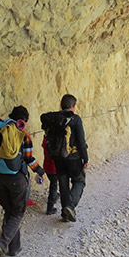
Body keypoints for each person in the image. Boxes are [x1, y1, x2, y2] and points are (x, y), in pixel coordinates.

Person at [0, 106, 45, 257]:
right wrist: (40, 171)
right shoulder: (23, 135)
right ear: (24, 120)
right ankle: (2, 243)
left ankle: (14, 248)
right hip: (16, 179)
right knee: (18, 212)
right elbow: (28, 158)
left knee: (10, 210)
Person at [53, 94, 89, 222]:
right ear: (72, 106)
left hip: (57, 158)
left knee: (63, 184)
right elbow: (81, 141)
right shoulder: (76, 119)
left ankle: (65, 213)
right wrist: (86, 159)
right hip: (73, 157)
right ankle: (70, 206)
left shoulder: (54, 118)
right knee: (79, 181)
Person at [41, 137, 59, 215]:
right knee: (53, 186)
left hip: (47, 166)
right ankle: (50, 208)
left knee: (53, 184)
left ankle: (55, 196)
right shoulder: (56, 141)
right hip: (54, 167)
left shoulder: (46, 140)